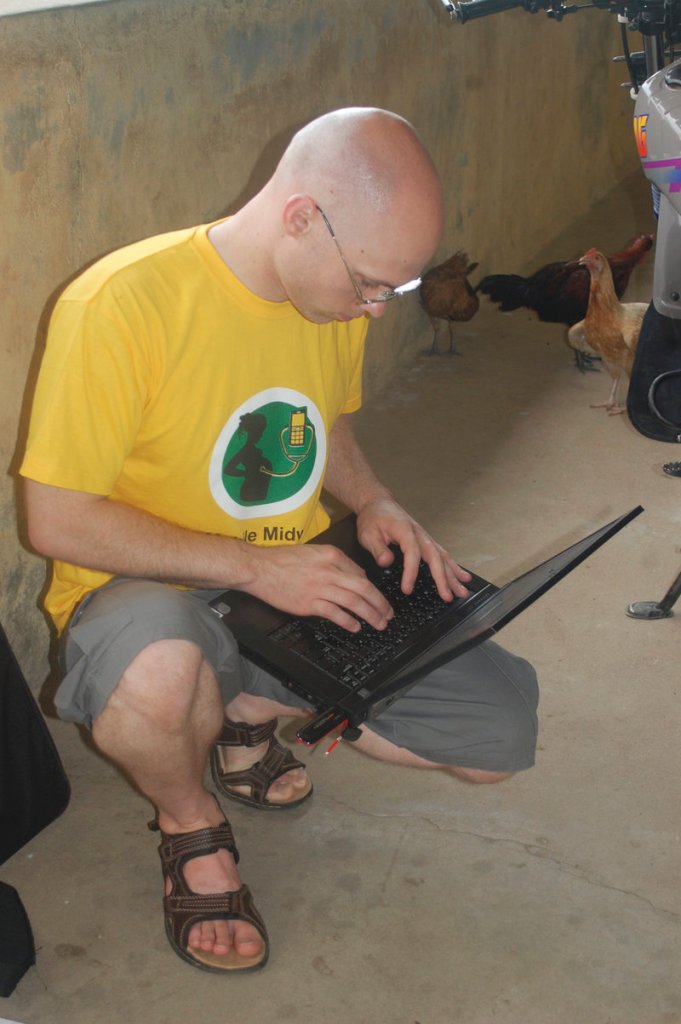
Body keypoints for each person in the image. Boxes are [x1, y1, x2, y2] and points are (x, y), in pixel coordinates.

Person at [20, 107, 539, 973]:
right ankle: (192, 828)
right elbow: (57, 519)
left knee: (494, 740)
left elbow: (320, 418)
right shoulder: (121, 302)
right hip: (148, 589)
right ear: (301, 216)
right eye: (372, 283)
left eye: (395, 291)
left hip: (292, 579)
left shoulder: (323, 297)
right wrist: (257, 567)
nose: (375, 310)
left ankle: (246, 708)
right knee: (155, 670)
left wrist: (373, 500)